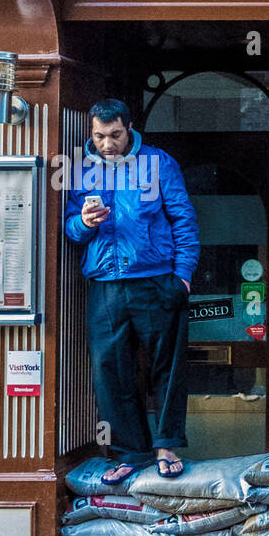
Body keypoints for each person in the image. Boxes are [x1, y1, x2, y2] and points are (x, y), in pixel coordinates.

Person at [64, 99, 199, 481]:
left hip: (156, 279)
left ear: (130, 128)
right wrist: (85, 223)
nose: (107, 143)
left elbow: (184, 220)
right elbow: (70, 230)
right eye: (99, 136)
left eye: (115, 135)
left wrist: (183, 276)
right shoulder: (80, 168)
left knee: (166, 367)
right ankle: (131, 452)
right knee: (111, 371)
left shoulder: (158, 163)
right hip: (105, 284)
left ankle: (166, 445)